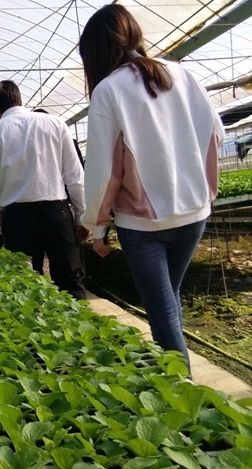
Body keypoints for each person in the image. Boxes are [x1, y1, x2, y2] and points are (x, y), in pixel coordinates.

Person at [78, 4, 224, 370]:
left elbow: (104, 173)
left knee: (161, 309)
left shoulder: (109, 90)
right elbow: (215, 136)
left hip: (143, 224)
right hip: (194, 214)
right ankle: (180, 379)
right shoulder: (183, 74)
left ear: (94, 52)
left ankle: (181, 391)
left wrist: (97, 229)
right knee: (169, 298)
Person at [0, 80, 88, 299]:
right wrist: (82, 217)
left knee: (27, 287)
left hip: (17, 220)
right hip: (57, 213)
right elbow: (75, 177)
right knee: (70, 282)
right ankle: (79, 317)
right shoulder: (55, 123)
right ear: (18, 99)